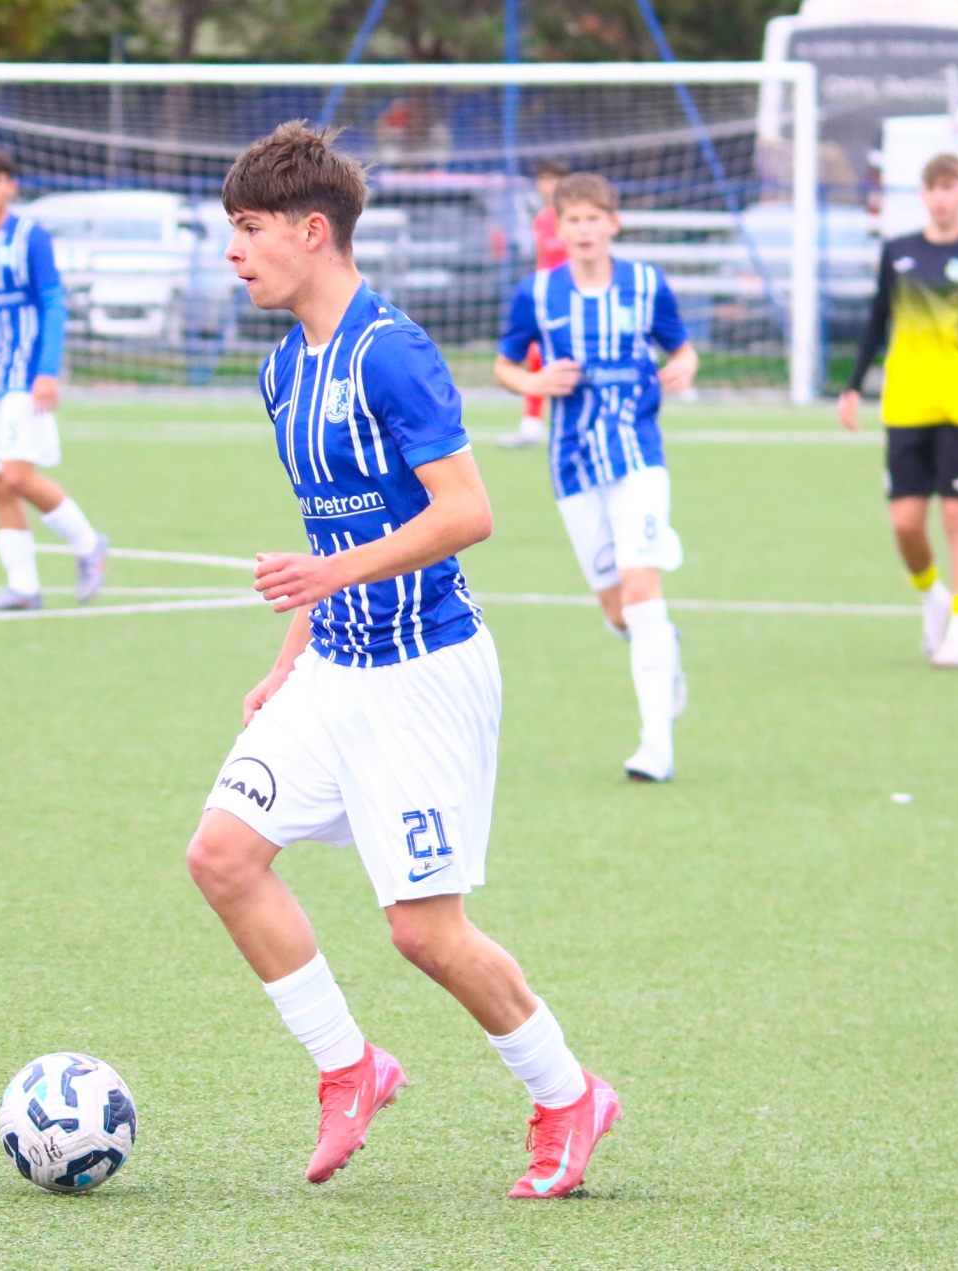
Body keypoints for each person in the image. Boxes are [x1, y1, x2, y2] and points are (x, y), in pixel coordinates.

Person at [188, 122, 619, 1200]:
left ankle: (568, 1093)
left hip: (424, 670)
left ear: (311, 230)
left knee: (424, 932)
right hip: (331, 665)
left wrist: (328, 579)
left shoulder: (393, 350)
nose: (232, 251)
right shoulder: (283, 370)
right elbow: (331, 533)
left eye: (248, 229)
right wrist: (288, 657)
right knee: (223, 856)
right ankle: (351, 1066)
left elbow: (468, 511)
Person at [494, 172, 697, 783]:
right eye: (573, 220)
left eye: (593, 219)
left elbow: (682, 348)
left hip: (637, 456)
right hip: (573, 463)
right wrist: (533, 382)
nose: (583, 230)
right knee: (616, 609)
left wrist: (683, 367)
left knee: (641, 586)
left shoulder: (646, 285)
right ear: (559, 227)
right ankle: (665, 650)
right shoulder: (537, 293)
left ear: (613, 223)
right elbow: (506, 365)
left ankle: (656, 747)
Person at [838, 152, 958, 667]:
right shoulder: (898, 253)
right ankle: (934, 597)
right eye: (932, 187)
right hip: (905, 405)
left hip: (957, 406)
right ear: (922, 194)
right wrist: (853, 387)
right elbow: (876, 321)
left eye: (949, 187)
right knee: (905, 523)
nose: (940, 197)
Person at [0, 148, 108, 611]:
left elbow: (53, 303)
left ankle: (89, 544)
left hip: (24, 378)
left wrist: (46, 371)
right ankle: (24, 588)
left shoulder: (30, 236)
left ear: (10, 186)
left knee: (17, 475)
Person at [498, 159, 570, 449]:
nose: (548, 186)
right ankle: (531, 425)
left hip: (572, 300)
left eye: (554, 179)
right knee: (535, 354)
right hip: (547, 300)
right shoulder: (541, 219)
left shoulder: (573, 218)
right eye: (544, 180)